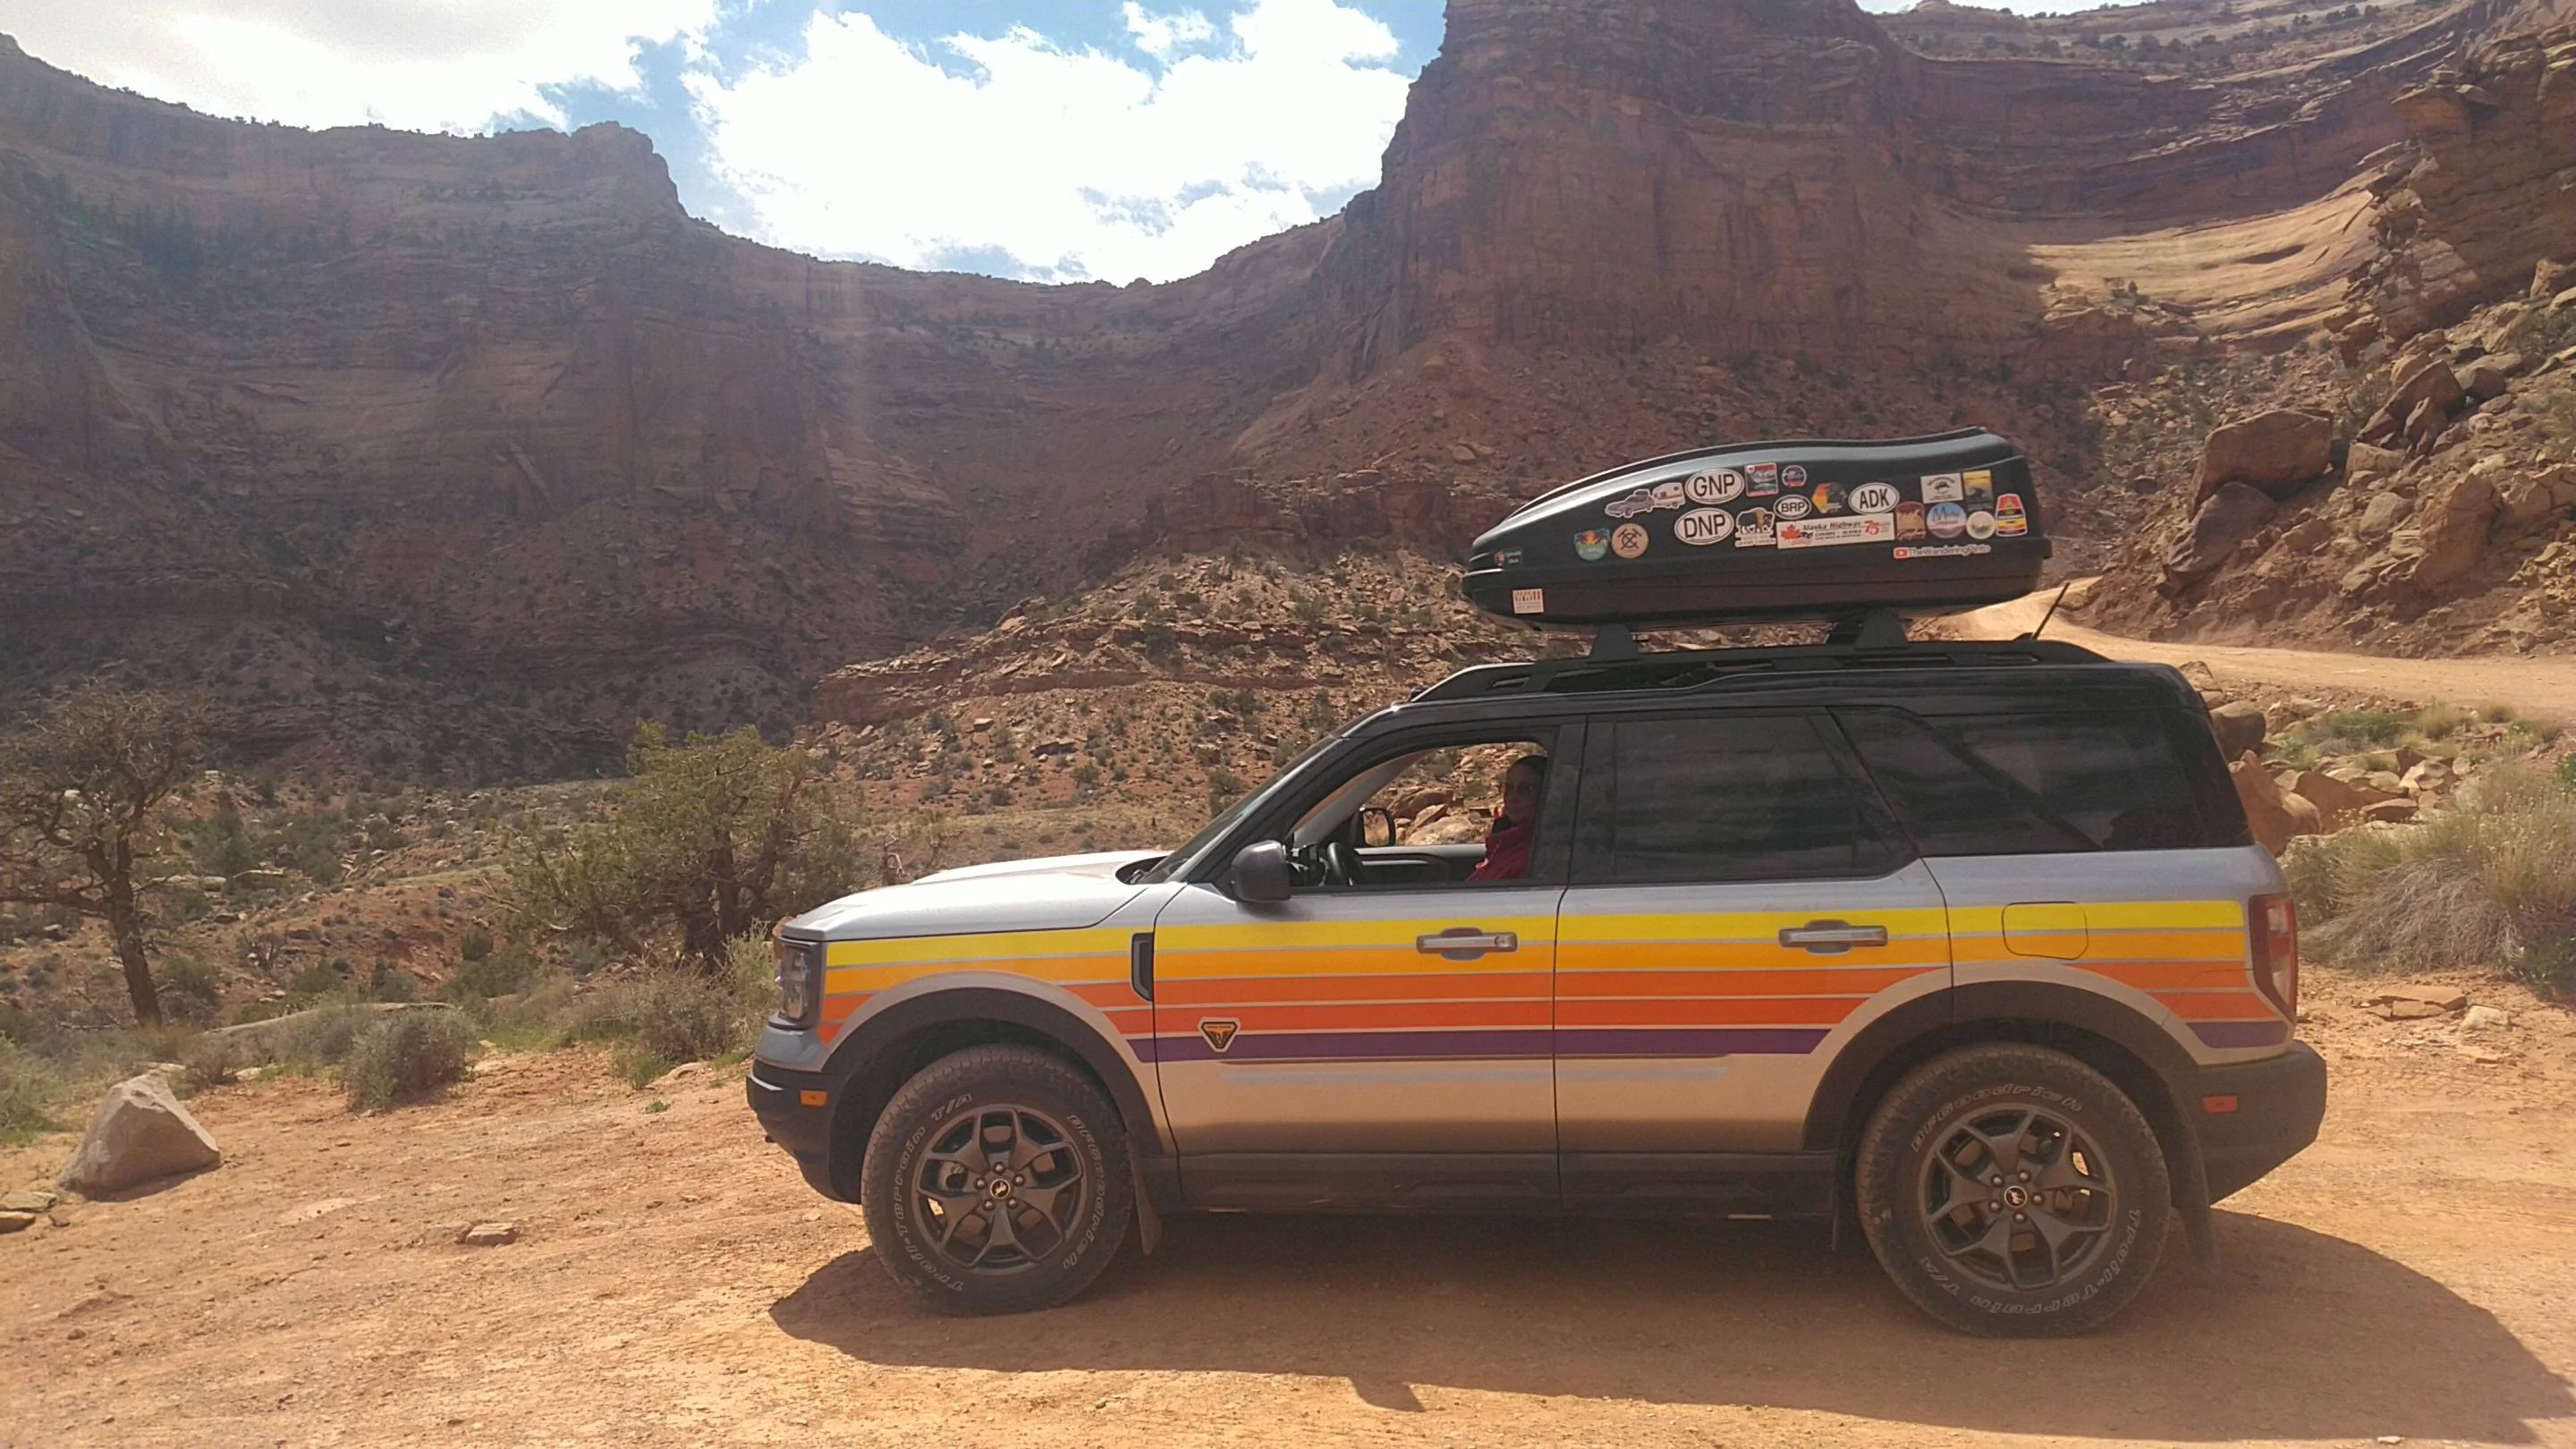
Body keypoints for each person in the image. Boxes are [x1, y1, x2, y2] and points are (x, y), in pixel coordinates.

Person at [1468, 754, 1546, 882]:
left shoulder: (1534, 857)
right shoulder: (1505, 843)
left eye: (1526, 789)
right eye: (1508, 789)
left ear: (1547, 793)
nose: (1512, 798)